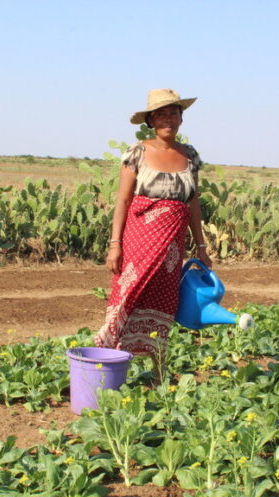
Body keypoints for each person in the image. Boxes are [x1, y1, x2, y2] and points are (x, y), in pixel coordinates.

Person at [94, 88, 212, 358]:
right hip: (139, 241)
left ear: (181, 119)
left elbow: (193, 203)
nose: (168, 119)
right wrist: (115, 245)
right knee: (129, 294)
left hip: (172, 246)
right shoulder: (137, 152)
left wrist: (201, 245)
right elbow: (123, 201)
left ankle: (157, 367)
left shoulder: (190, 155)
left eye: (173, 113)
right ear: (150, 121)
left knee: (163, 302)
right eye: (161, 115)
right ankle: (106, 357)